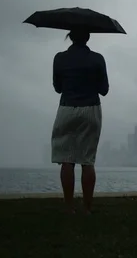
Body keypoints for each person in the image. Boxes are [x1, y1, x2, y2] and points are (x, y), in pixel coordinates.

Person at [51, 29, 109, 214]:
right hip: (91, 108)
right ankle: (87, 208)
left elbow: (58, 88)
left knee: (66, 160)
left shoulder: (59, 58)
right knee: (87, 160)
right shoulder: (97, 58)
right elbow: (104, 90)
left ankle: (69, 207)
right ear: (88, 37)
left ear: (70, 37)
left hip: (67, 108)